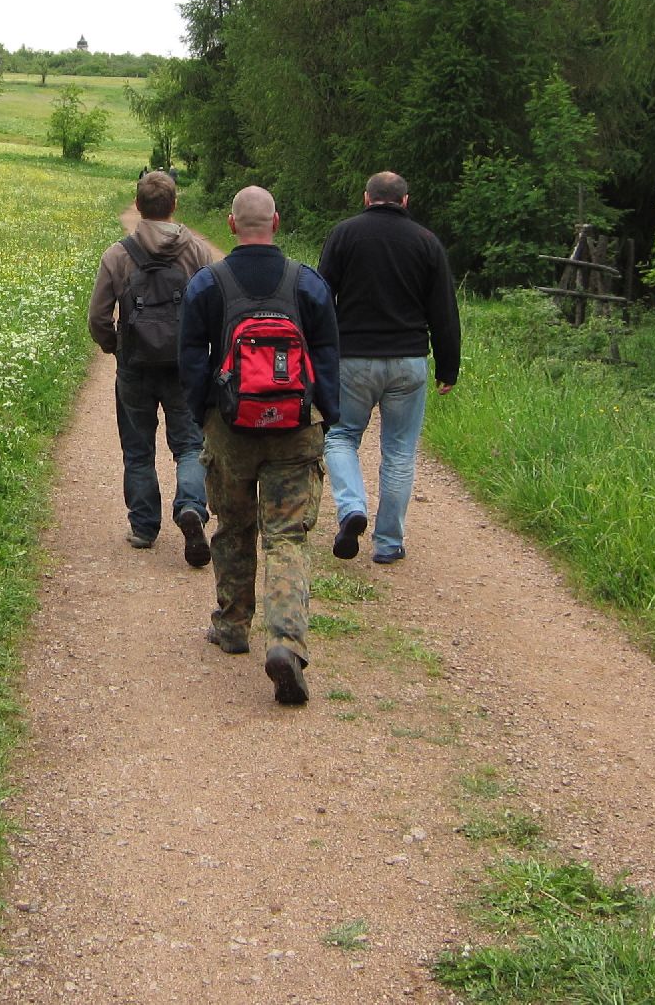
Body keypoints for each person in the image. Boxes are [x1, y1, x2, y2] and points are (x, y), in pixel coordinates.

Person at [178, 186, 341, 706]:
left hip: (231, 430)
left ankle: (231, 627)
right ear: (276, 221)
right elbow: (330, 355)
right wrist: (326, 416)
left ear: (230, 224)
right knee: (287, 537)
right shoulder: (307, 283)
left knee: (233, 525)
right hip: (296, 428)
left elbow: (191, 361)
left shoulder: (208, 283)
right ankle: (286, 644)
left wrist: (206, 414)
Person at [317, 170, 461, 566]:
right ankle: (388, 542)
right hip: (408, 361)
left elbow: (320, 296)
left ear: (366, 198)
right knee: (398, 451)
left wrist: (319, 355)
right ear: (405, 202)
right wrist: (448, 366)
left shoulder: (343, 234)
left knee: (341, 437)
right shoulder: (427, 242)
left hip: (353, 358)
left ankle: (351, 509)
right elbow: (444, 311)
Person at [87, 170, 223, 565]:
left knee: (138, 449)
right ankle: (193, 507)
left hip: (135, 366)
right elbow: (213, 306)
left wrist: (113, 346)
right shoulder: (196, 251)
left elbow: (98, 316)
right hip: (184, 367)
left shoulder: (118, 254)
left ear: (138, 206)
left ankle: (145, 527)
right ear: (174, 206)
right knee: (189, 445)